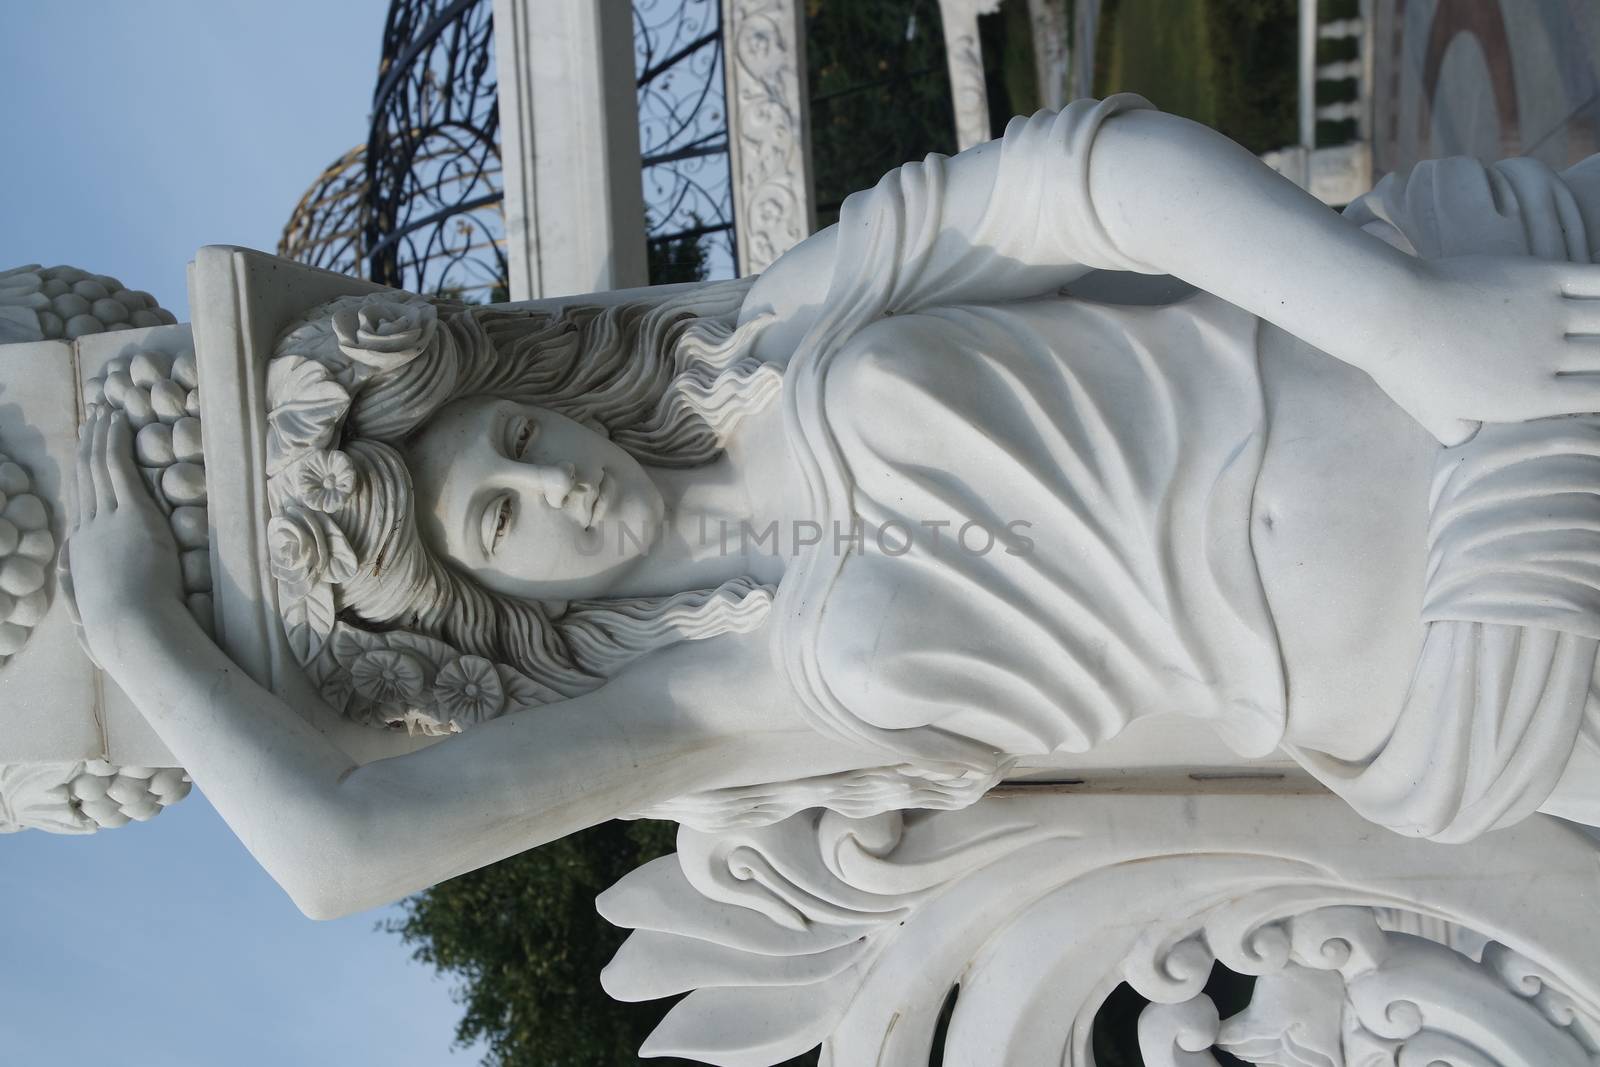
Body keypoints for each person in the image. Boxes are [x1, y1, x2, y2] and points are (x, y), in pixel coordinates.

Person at [66, 97, 1600, 919]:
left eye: (517, 434)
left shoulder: (782, 343)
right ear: (494, 604)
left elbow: (1082, 173)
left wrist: (1398, 320)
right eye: (500, 522)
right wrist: (139, 632)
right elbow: (338, 854)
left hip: (1489, 374)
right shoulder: (701, 703)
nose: (553, 483)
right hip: (1504, 679)